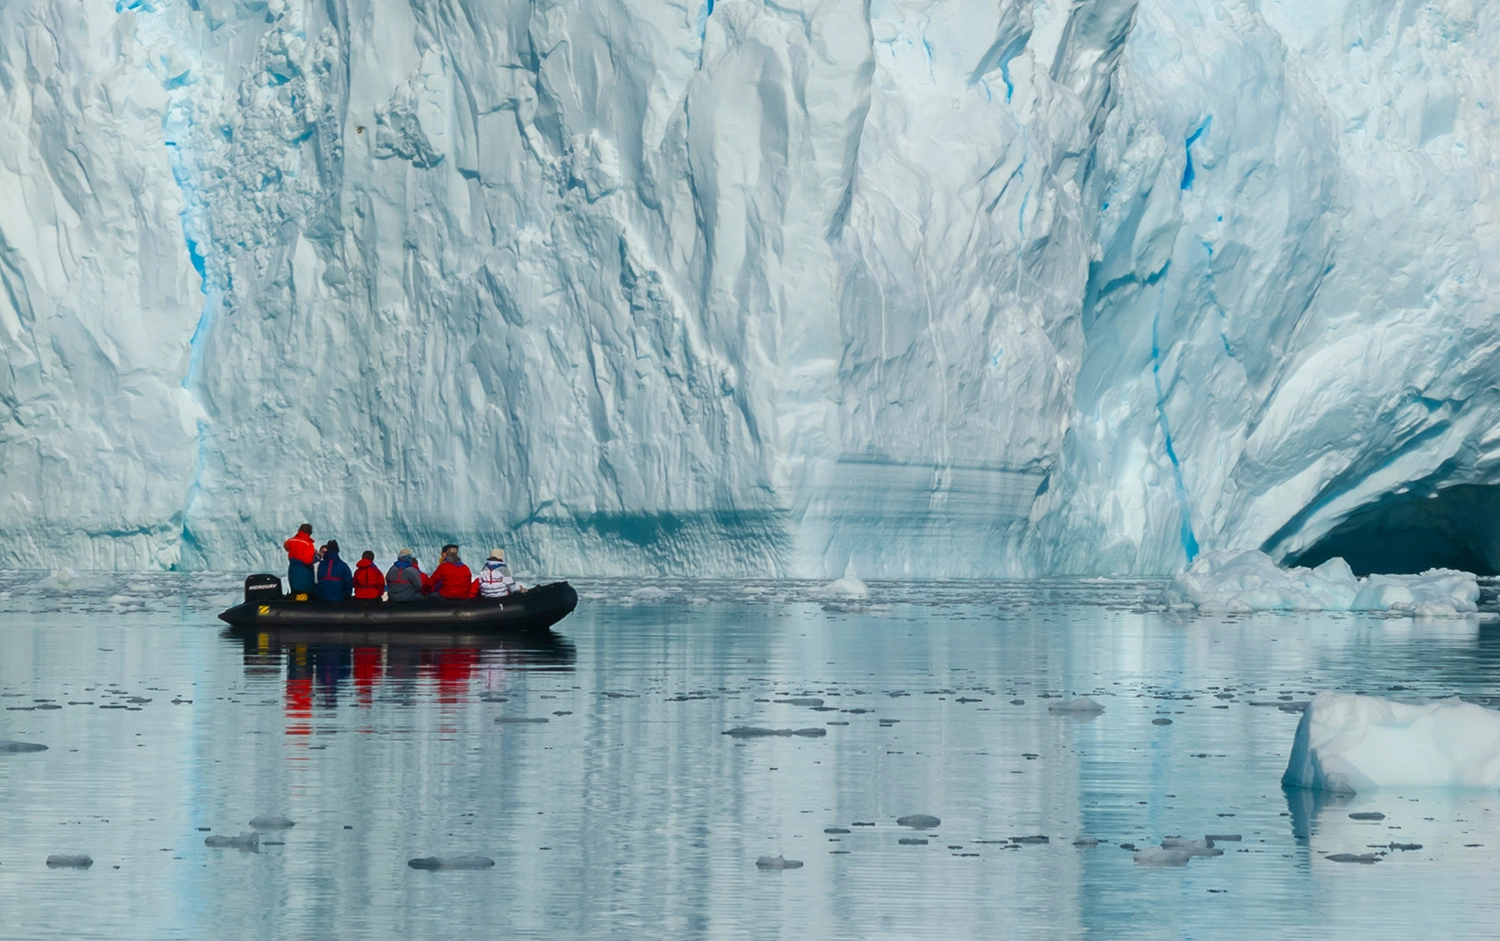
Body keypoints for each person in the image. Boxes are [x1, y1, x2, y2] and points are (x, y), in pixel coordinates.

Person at [283, 523, 316, 597]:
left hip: (292, 570)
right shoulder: (308, 544)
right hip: (304, 572)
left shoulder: (291, 540)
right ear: (309, 532)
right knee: (304, 592)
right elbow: (308, 560)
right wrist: (316, 556)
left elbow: (286, 546)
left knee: (295, 591)